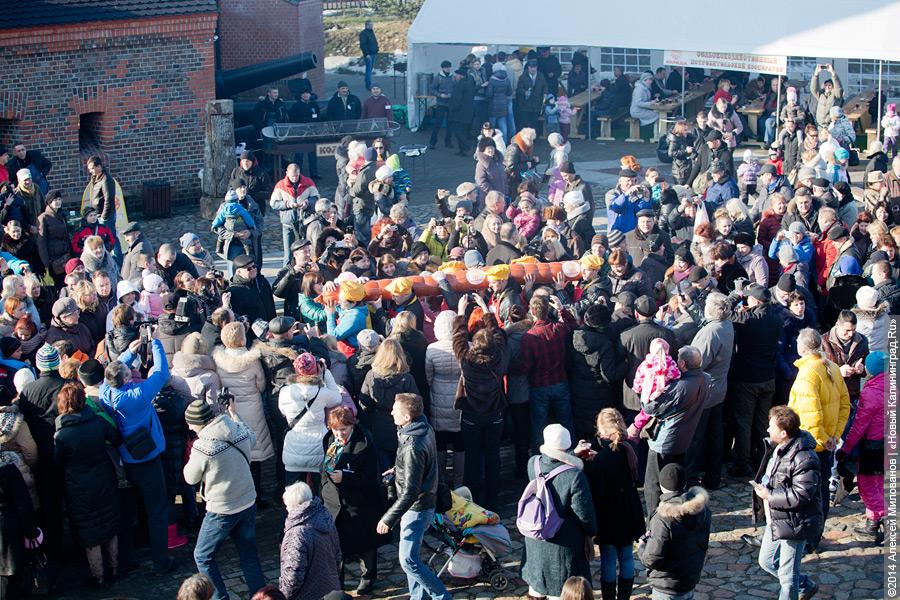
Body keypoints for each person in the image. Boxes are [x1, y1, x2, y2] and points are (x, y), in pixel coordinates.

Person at [100, 337, 174, 574]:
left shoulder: (105, 392)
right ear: (125, 379)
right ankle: (161, 561)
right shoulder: (136, 396)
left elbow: (112, 372)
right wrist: (156, 345)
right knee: (157, 510)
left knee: (128, 511)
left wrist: (128, 353)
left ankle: (126, 559)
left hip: (124, 458)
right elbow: (161, 374)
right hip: (146, 458)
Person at [183, 398, 266, 600]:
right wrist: (234, 413)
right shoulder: (237, 429)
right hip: (247, 501)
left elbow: (190, 477)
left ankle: (219, 597)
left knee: (202, 556)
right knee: (249, 556)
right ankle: (261, 596)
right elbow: (252, 437)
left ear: (197, 423)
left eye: (190, 422)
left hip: (222, 510)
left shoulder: (203, 446)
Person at [375, 393, 450, 600]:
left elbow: (410, 492)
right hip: (424, 502)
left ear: (407, 417)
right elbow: (422, 467)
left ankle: (441, 596)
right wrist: (398, 470)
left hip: (417, 509)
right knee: (412, 558)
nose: (391, 412)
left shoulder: (412, 445)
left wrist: (388, 518)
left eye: (395, 410)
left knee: (408, 560)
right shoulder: (423, 427)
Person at [751, 406, 822, 600]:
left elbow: (802, 494)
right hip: (776, 519)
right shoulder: (778, 448)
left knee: (787, 576)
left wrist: (769, 495)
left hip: (795, 522)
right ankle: (805, 585)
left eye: (770, 426)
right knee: (766, 561)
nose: (767, 430)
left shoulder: (804, 458)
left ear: (783, 433)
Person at [53, 382, 121, 587]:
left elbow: (58, 462)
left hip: (79, 486)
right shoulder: (98, 422)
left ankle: (98, 576)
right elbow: (116, 438)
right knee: (109, 524)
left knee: (90, 532)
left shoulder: (62, 435)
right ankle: (115, 568)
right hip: (103, 477)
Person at [520, 424, 597, 599]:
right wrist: (592, 532)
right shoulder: (574, 476)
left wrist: (571, 455)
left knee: (537, 587)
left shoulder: (533, 463)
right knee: (559, 589)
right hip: (564, 543)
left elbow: (552, 463)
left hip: (536, 538)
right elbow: (584, 514)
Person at [788, 328, 850, 525]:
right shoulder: (831, 366)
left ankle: (810, 535)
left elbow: (811, 415)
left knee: (810, 491)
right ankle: (816, 530)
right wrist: (834, 436)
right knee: (821, 488)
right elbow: (844, 404)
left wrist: (825, 440)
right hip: (827, 440)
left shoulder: (808, 373)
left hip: (813, 444)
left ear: (802, 348)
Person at [581, 409, 645, 600]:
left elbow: (597, 491)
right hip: (628, 512)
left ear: (602, 430)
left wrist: (592, 463)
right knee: (626, 556)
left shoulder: (602, 459)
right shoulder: (630, 449)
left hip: (608, 516)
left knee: (608, 559)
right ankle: (624, 597)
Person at [320, 407, 385, 594]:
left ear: (352, 425)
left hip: (360, 503)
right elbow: (324, 468)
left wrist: (346, 477)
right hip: (334, 503)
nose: (339, 433)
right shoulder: (331, 441)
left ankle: (368, 578)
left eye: (344, 429)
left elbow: (372, 477)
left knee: (365, 544)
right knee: (336, 546)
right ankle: (337, 583)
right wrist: (325, 488)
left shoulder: (364, 443)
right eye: (335, 429)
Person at [452, 297, 507, 510]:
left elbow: (458, 337)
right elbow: (497, 334)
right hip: (494, 414)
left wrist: (460, 311)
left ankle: (474, 496)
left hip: (471, 415)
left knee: (472, 456)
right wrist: (486, 310)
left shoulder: (466, 360)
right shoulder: (500, 357)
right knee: (493, 455)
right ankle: (493, 497)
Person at [639, 346, 709, 515]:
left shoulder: (681, 386)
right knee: (676, 481)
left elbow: (650, 408)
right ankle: (677, 511)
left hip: (665, 442)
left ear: (683, 363)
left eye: (678, 359)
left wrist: (647, 387)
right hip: (685, 439)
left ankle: (655, 519)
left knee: (654, 485)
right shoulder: (706, 379)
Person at [212, 321, 273, 503]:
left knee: (237, 450)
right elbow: (260, 384)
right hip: (253, 407)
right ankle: (257, 492)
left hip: (232, 409)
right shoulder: (252, 359)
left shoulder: (218, 360)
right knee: (255, 449)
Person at [727, 284, 783, 477]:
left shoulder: (747, 319)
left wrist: (737, 295)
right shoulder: (776, 319)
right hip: (768, 378)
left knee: (743, 423)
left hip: (747, 379)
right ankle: (763, 459)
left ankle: (743, 463)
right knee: (762, 423)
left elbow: (725, 311)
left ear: (754, 301)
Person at [637, 463, 711, 600]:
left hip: (666, 586)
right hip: (689, 580)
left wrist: (642, 547)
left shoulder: (663, 518)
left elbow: (652, 559)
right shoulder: (703, 510)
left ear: (661, 486)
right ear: (684, 484)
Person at [685, 294, 733, 490]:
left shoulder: (711, 332)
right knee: (715, 434)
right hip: (719, 388)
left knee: (696, 436)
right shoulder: (727, 325)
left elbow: (696, 362)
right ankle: (713, 476)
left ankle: (689, 477)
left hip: (705, 391)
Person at [516, 294, 576, 453]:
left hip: (539, 386)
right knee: (566, 421)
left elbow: (525, 366)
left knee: (538, 425)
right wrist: (561, 309)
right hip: (560, 382)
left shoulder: (528, 337)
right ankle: (572, 452)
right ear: (548, 309)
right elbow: (572, 324)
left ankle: (538, 456)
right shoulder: (558, 329)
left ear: (532, 312)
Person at [278, 351, 342, 492]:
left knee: (293, 494)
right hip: (318, 446)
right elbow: (337, 398)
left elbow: (283, 411)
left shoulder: (285, 392)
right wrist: (326, 372)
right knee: (321, 491)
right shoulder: (321, 392)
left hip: (293, 447)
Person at [838, 352, 886, 541]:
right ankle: (872, 524)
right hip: (886, 444)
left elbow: (859, 425)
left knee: (866, 486)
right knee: (878, 484)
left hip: (871, 446)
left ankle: (883, 515)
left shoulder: (871, 392)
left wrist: (846, 449)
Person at [359, 338, 419, 470]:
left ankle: (386, 489)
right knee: (403, 466)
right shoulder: (406, 378)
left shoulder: (371, 375)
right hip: (402, 426)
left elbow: (364, 405)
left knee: (384, 466)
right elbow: (415, 405)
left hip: (379, 424)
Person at [279, 480, 342, 600]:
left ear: (295, 506)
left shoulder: (296, 533)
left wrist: (283, 596)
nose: (286, 509)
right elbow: (337, 556)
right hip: (331, 589)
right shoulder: (325, 518)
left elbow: (293, 575)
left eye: (287, 505)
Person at [270, 164, 319, 267]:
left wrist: (307, 203)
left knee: (307, 252)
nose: (294, 178)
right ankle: (286, 275)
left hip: (305, 223)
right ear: (287, 173)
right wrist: (287, 204)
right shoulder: (280, 185)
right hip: (288, 224)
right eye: (292, 176)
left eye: (296, 175)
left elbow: (316, 198)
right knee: (288, 254)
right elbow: (273, 203)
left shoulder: (308, 183)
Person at [516, 60, 547, 131]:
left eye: (534, 67)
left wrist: (545, 94)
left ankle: (534, 139)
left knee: (535, 123)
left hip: (537, 104)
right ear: (528, 67)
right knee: (524, 123)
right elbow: (518, 90)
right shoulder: (522, 77)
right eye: (531, 67)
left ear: (537, 67)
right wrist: (524, 92)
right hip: (525, 105)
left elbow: (545, 86)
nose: (533, 69)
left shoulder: (541, 76)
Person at [358, 20, 378, 91]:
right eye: (370, 25)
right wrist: (367, 54)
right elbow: (363, 45)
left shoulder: (371, 32)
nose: (372, 26)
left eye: (372, 25)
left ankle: (369, 83)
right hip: (369, 54)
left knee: (370, 69)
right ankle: (368, 85)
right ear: (366, 25)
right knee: (368, 70)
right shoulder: (363, 33)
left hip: (374, 53)